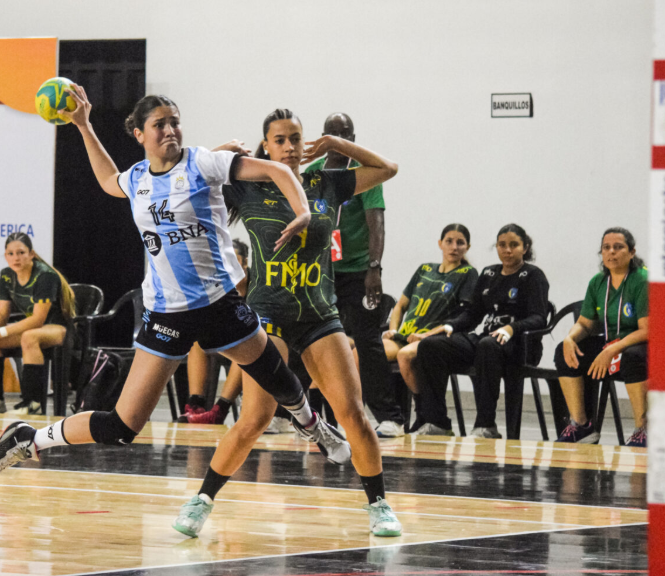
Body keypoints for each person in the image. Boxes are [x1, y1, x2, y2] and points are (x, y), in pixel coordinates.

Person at [0, 90, 345, 492]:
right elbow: (107, 180)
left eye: (175, 122)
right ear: (139, 134)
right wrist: (83, 125)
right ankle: (28, 439)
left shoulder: (204, 162)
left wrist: (303, 210)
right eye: (159, 124)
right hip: (167, 313)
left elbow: (279, 171)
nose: (170, 130)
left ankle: (314, 427)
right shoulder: (137, 179)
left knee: (277, 375)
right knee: (122, 427)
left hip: (219, 304)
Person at [173, 108, 402, 539]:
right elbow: (186, 183)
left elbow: (387, 168)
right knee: (254, 419)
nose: (290, 147)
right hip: (268, 314)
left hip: (319, 313)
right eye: (280, 140)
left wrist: (337, 144)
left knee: (353, 413)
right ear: (266, 146)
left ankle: (379, 506)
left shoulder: (325, 183)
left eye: (296, 138)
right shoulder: (248, 186)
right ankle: (201, 501)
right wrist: (222, 153)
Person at [304, 112, 401, 438]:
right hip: (322, 272)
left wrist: (374, 268)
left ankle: (390, 417)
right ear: (323, 138)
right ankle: (301, 414)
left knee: (367, 340)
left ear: (353, 140)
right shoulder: (313, 174)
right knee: (307, 338)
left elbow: (377, 224)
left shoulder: (363, 173)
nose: (338, 140)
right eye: (331, 133)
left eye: (344, 134)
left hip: (359, 271)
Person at [415, 224, 549, 438]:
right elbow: (473, 314)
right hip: (487, 341)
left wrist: (512, 328)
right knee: (430, 345)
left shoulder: (533, 275)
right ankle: (437, 421)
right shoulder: (489, 273)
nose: (507, 250)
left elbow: (539, 318)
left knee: (487, 346)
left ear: (525, 248)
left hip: (520, 346)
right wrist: (450, 326)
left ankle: (485, 425)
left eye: (514, 245)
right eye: (502, 245)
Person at [554, 227, 648, 447]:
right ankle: (581, 426)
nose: (611, 252)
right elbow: (585, 324)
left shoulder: (643, 280)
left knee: (633, 357)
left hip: (645, 345)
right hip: (614, 345)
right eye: (606, 247)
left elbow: (648, 330)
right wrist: (570, 338)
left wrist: (613, 349)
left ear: (632, 252)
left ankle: (643, 430)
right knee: (564, 351)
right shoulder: (598, 281)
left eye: (618, 247)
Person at [0, 232, 75, 414]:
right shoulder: (6, 275)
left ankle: (32, 404)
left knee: (29, 337)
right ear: (6, 256)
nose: (16, 258)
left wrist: (0, 332)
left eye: (21, 253)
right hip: (33, 327)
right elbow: (2, 314)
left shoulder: (45, 275)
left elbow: (38, 319)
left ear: (31, 254)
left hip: (58, 327)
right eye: (11, 253)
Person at [383, 224, 478, 431]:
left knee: (405, 356)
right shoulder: (425, 269)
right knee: (365, 353)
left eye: (460, 243)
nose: (454, 247)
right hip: (405, 334)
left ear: (467, 247)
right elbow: (400, 305)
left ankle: (421, 411)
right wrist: (393, 329)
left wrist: (427, 335)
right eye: (449, 241)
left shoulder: (468, 273)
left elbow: (466, 314)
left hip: (432, 338)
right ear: (440, 243)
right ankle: (384, 416)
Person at [181, 238, 250, 424]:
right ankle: (195, 405)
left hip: (248, 342)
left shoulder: (258, 284)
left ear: (245, 263)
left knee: (247, 345)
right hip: (224, 338)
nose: (228, 266)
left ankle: (221, 408)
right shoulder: (214, 283)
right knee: (197, 342)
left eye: (234, 260)